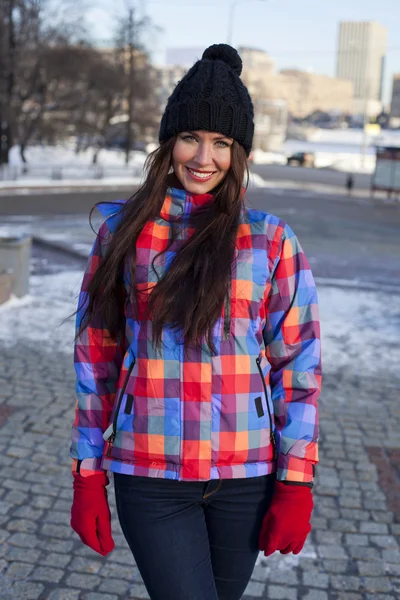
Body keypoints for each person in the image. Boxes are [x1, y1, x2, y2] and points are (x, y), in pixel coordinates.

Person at [70, 44, 321, 600]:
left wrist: (295, 481)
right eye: (191, 137)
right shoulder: (122, 232)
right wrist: (87, 471)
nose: (203, 157)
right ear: (168, 142)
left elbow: (298, 367)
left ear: (240, 152)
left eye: (222, 143)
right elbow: (96, 355)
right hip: (150, 473)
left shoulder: (271, 239)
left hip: (246, 478)